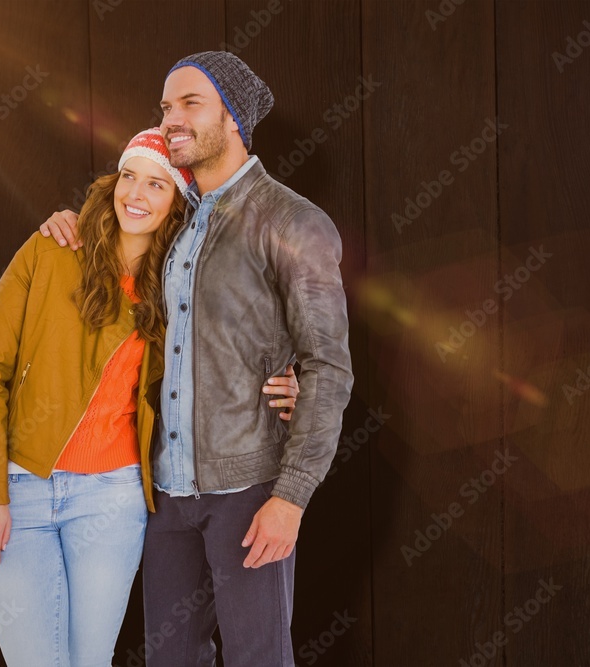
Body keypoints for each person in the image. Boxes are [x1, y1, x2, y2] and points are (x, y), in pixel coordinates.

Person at [40, 51, 354, 666]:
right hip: (165, 494)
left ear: (232, 118)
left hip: (249, 488)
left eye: (190, 104)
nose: (169, 119)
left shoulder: (293, 221)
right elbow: (115, 258)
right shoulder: (174, 220)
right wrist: (69, 225)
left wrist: (290, 497)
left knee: (257, 657)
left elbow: (328, 366)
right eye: (165, 107)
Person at [0, 128, 300, 667]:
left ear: (176, 206)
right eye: (128, 177)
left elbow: (226, 352)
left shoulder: (177, 292)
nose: (136, 195)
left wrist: (285, 379)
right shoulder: (51, 250)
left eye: (156, 185)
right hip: (22, 489)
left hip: (113, 499)